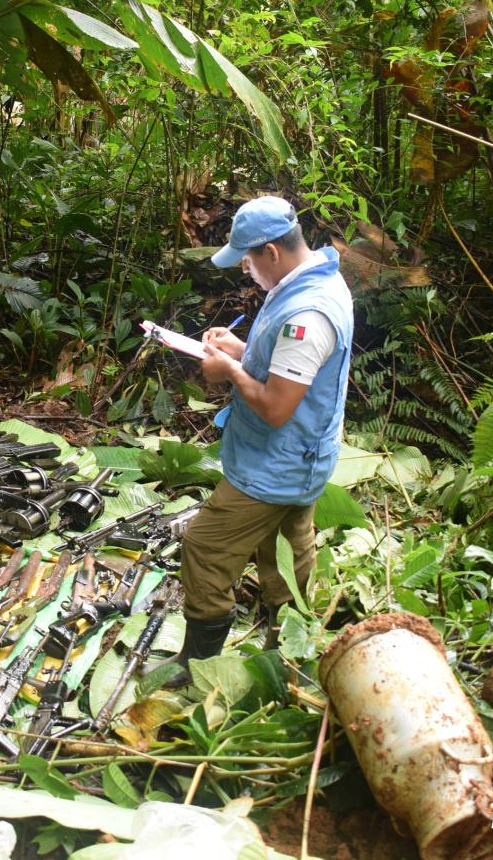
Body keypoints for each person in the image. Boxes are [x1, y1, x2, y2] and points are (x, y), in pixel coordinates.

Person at [161, 196, 354, 688]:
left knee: (205, 547)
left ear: (271, 251)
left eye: (247, 261)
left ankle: (198, 664)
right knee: (285, 550)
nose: (245, 270)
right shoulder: (310, 279)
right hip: (302, 454)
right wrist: (243, 351)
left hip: (278, 463)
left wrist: (228, 370)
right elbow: (290, 369)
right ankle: (287, 657)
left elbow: (276, 406)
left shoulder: (308, 313)